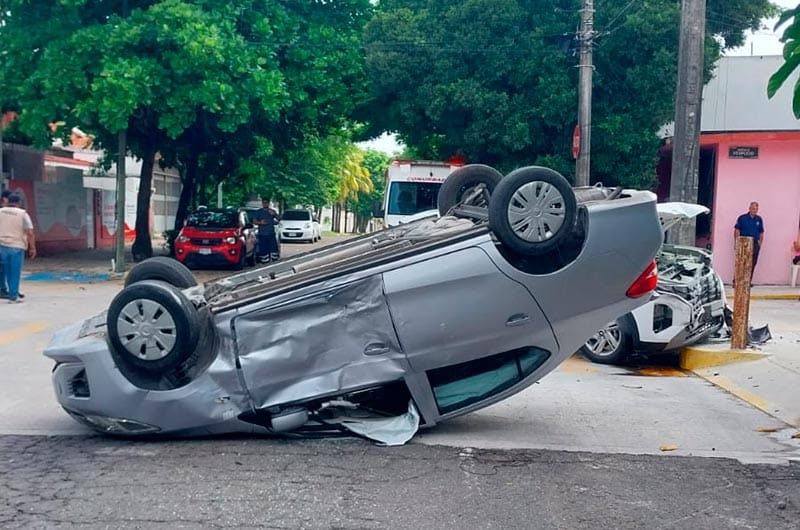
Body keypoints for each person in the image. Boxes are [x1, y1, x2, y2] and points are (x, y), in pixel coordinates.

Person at [0, 193, 35, 302]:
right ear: (18, 203)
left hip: (1, 245)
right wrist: (32, 247)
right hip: (16, 246)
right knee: (14, 272)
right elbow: (30, 232)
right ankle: (13, 296)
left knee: (3, 270)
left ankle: (3, 290)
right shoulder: (22, 214)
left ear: (7, 201)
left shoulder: (0, 212)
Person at [733, 201, 764, 283]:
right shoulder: (742, 218)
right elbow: (737, 230)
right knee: (741, 262)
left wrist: (760, 243)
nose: (755, 210)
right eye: (753, 208)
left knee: (752, 263)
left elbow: (761, 232)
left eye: (756, 209)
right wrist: (737, 242)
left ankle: (748, 282)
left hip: (754, 243)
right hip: (744, 242)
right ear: (749, 208)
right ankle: (736, 281)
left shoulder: (759, 219)